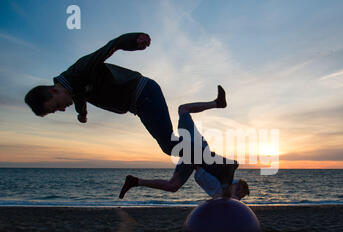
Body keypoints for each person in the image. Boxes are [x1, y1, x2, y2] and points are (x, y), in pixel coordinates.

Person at [24, 32, 238, 190]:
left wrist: (134, 41)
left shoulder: (78, 71)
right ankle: (220, 166)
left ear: (53, 90)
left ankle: (222, 167)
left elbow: (110, 46)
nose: (61, 110)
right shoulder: (72, 89)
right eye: (55, 112)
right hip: (139, 103)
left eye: (56, 106)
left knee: (168, 144)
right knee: (169, 143)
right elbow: (80, 98)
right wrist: (82, 113)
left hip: (143, 92)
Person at [119, 95, 250, 200]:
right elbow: (232, 193)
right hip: (199, 151)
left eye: (240, 196)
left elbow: (229, 196)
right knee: (170, 146)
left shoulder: (219, 192)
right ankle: (217, 103)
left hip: (197, 153)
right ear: (237, 185)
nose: (239, 197)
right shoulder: (229, 185)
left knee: (183, 109)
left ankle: (135, 181)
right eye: (240, 193)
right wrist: (234, 193)